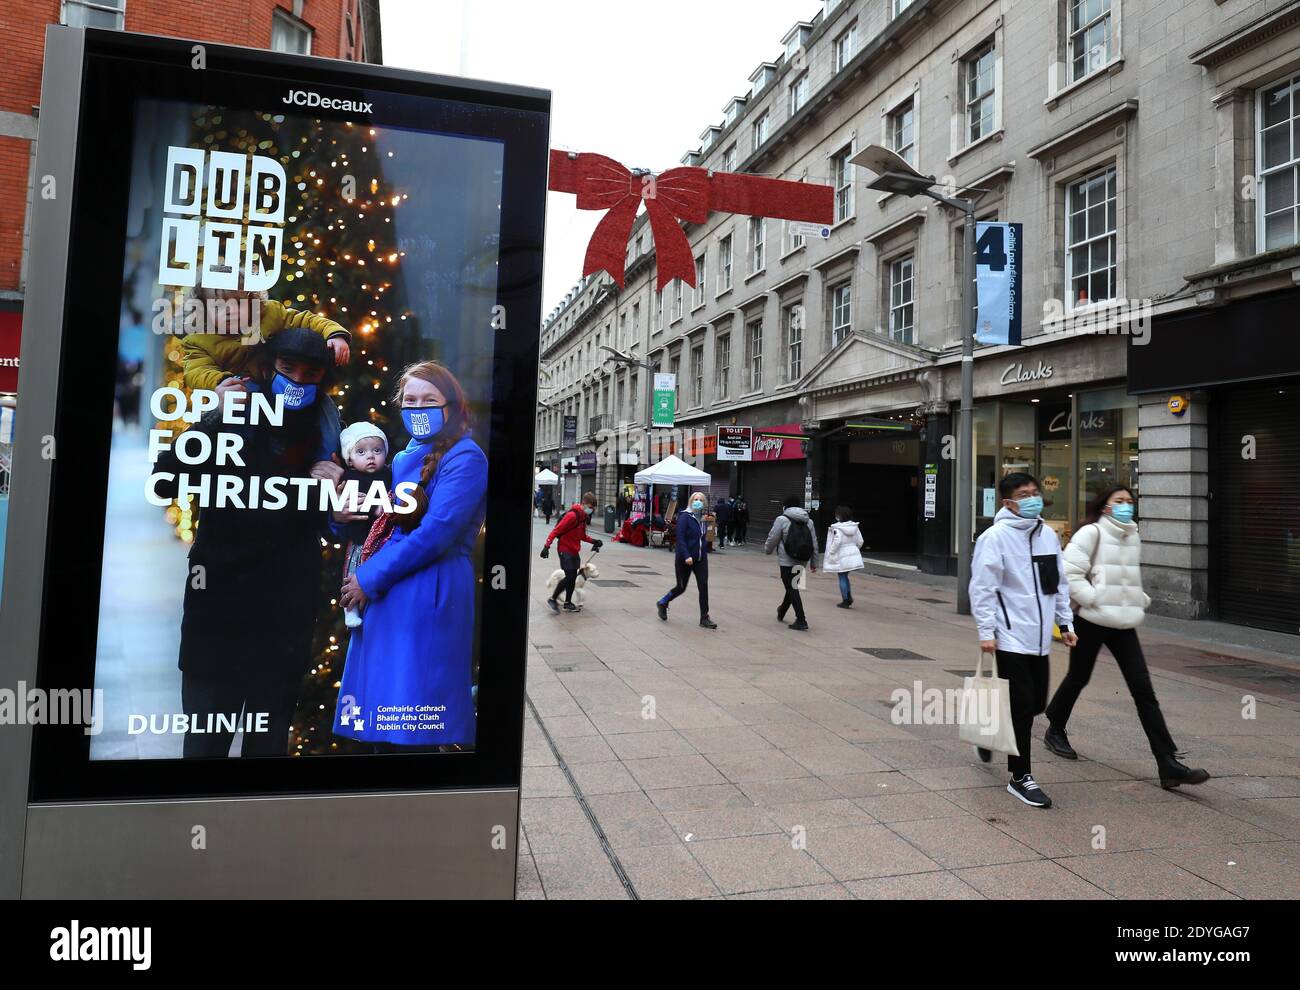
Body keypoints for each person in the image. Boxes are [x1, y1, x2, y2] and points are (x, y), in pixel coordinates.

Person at [153, 327, 342, 758]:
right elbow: (164, 480)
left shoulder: (327, 433)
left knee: (266, 748)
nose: (296, 381)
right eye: (286, 368)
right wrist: (213, 417)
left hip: (283, 614)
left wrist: (335, 486)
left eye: (309, 373)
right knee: (204, 747)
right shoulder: (232, 417)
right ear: (267, 366)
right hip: (217, 609)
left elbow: (335, 522)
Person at [335, 361, 487, 748]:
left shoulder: (465, 457)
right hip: (393, 589)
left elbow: (436, 533)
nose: (419, 408)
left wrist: (368, 578)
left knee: (415, 717)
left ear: (450, 405)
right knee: (388, 718)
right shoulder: (404, 457)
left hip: (426, 590)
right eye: (411, 400)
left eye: (429, 400)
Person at [1044, 486, 1210, 789]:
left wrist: (1138, 598)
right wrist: (1094, 598)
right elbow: (1068, 573)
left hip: (1124, 622)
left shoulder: (1133, 535)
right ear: (1105, 507)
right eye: (1118, 501)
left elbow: (1128, 575)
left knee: (1143, 689)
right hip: (1091, 619)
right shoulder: (1090, 533)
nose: (1125, 506)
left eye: (1129, 502)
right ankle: (1055, 726)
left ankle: (1167, 763)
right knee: (1079, 677)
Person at [969, 472, 1078, 809]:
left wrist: (1065, 622)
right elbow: (983, 588)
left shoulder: (1046, 534)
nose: (1032, 498)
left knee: (1035, 705)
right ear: (1008, 502)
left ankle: (987, 732)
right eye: (1024, 494)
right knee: (1022, 708)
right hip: (1010, 636)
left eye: (1035, 492)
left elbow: (1057, 583)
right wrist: (987, 632)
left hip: (1041, 638)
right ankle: (1020, 777)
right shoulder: (995, 538)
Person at [181, 285, 350, 391]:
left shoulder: (270, 314)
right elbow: (196, 371)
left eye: (238, 304)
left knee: (323, 409)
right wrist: (222, 380)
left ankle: (330, 447)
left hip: (285, 381)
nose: (229, 311)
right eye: (218, 307)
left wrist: (334, 334)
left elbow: (306, 320)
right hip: (243, 389)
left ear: (252, 302)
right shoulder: (198, 340)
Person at [656, 490, 717, 628]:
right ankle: (663, 602)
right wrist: (687, 555)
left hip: (700, 558)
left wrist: (711, 524)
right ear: (691, 501)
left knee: (703, 586)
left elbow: (705, 537)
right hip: (685, 558)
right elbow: (680, 538)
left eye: (701, 500)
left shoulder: (703, 519)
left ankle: (704, 617)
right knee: (681, 587)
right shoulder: (685, 516)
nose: (698, 502)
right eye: (696, 499)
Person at [764, 494, 819, 631]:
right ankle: (782, 610)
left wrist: (767, 550)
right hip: (802, 559)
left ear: (785, 506)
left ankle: (801, 619)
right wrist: (814, 561)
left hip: (786, 560)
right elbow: (814, 542)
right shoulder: (809, 521)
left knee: (792, 588)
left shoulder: (782, 519)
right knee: (792, 587)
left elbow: (773, 537)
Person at [541, 492, 602, 612]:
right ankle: (552, 599)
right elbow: (556, 531)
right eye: (590, 507)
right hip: (564, 549)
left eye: (593, 508)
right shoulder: (572, 516)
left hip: (574, 550)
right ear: (583, 503)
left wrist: (595, 541)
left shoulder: (583, 517)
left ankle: (567, 602)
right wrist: (546, 546)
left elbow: (582, 536)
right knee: (569, 576)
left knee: (573, 577)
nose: (592, 510)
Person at [823, 505, 865, 608]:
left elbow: (837, 542)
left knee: (842, 576)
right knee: (845, 576)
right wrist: (854, 549)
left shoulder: (837, 528)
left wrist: (831, 552)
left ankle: (845, 600)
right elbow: (860, 541)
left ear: (839, 515)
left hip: (841, 555)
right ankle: (848, 596)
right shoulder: (855, 527)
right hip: (852, 553)